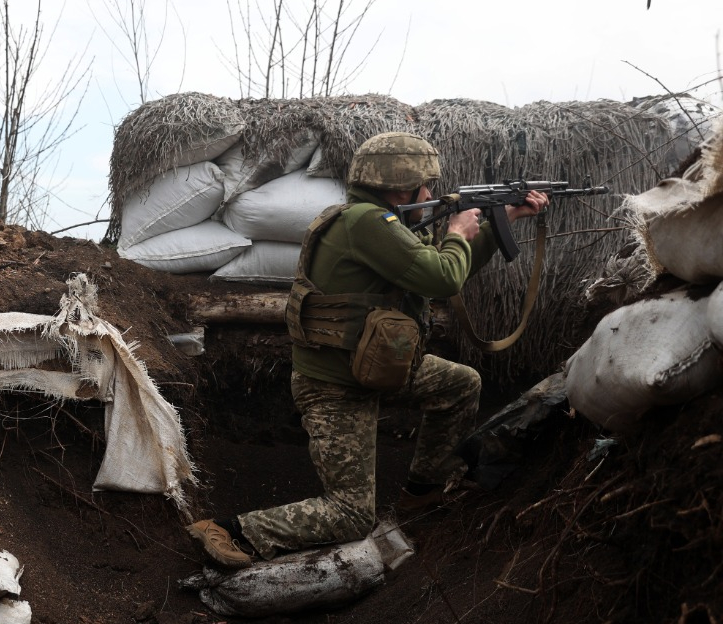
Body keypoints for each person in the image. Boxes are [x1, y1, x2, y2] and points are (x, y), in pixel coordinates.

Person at [187, 132, 548, 569]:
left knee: (459, 384)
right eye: (425, 185)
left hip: (378, 367)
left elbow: (442, 268)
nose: (431, 194)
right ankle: (232, 530)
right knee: (353, 514)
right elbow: (442, 278)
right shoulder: (367, 224)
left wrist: (501, 221)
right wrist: (456, 232)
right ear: (400, 185)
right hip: (336, 387)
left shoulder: (382, 224)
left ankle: (422, 493)